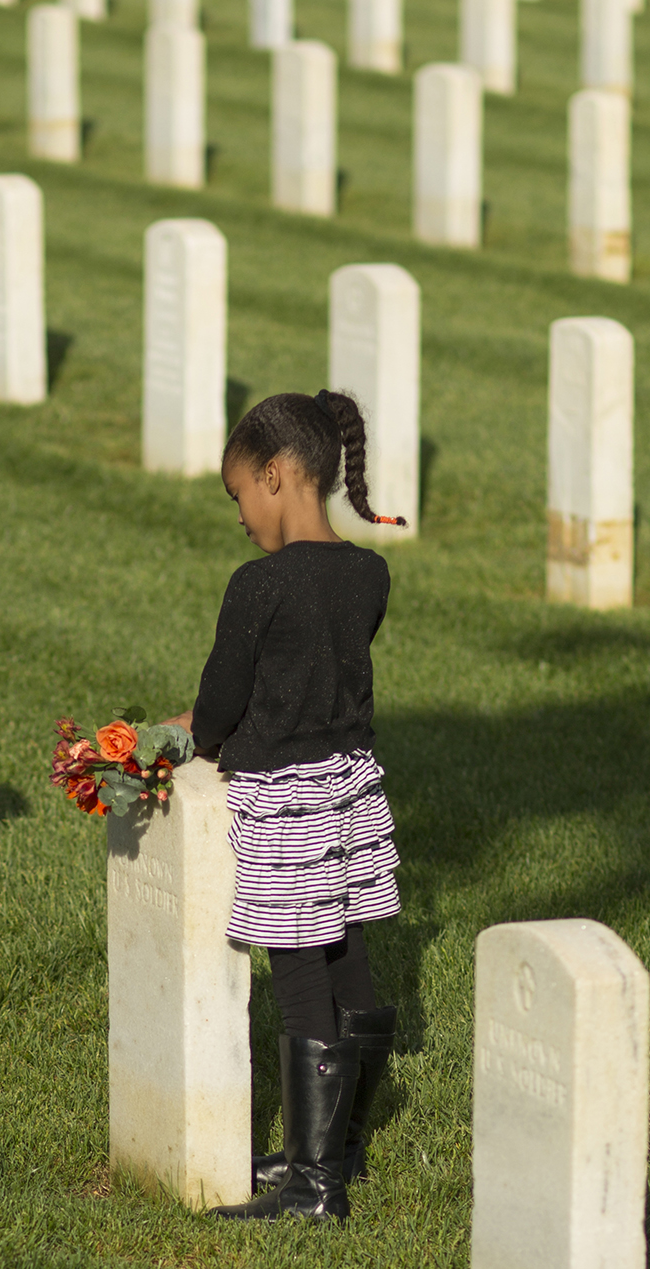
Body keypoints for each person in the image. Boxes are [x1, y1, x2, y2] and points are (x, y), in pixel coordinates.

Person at [170, 390, 404, 1223]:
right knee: (349, 958)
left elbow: (224, 702)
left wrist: (188, 738)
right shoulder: (369, 573)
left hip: (285, 801)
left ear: (274, 475)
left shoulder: (258, 584)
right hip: (350, 791)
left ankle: (313, 1189)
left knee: (298, 973)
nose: (239, 516)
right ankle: (339, 1147)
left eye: (239, 495)